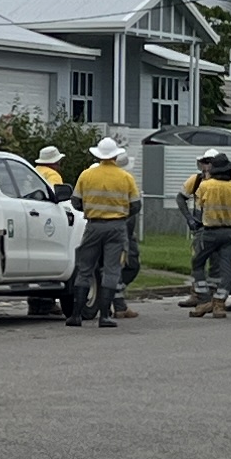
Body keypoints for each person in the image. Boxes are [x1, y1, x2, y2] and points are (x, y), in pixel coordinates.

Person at [69, 135, 142, 325]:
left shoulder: (86, 175)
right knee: (111, 270)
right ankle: (105, 315)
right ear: (115, 157)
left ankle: (76, 315)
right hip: (117, 227)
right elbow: (136, 205)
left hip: (93, 225)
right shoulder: (126, 177)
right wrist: (121, 212)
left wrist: (91, 209)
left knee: (85, 268)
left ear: (98, 156)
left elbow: (75, 202)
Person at [186, 152, 231, 315]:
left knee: (198, 263)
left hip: (210, 231)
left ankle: (204, 299)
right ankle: (219, 303)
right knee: (227, 269)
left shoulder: (205, 185)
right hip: (230, 232)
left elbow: (200, 204)